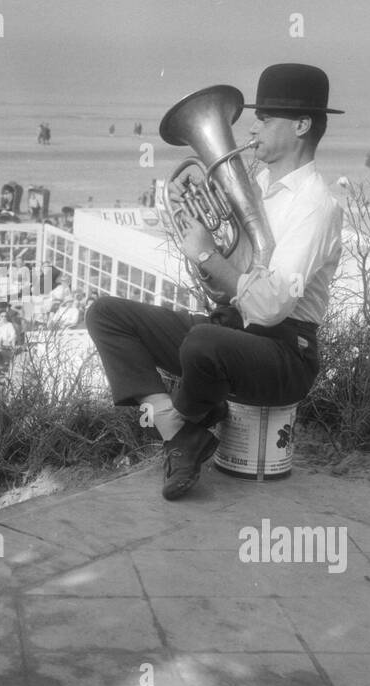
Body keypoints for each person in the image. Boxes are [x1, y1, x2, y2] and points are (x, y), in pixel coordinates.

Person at [85, 63, 344, 501]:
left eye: (264, 119)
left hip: (285, 353)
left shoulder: (317, 205)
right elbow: (228, 287)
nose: (253, 128)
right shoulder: (254, 186)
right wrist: (199, 232)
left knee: (202, 342)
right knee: (106, 315)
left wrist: (206, 253)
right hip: (232, 331)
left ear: (300, 125)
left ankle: (184, 431)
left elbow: (269, 307)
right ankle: (177, 428)